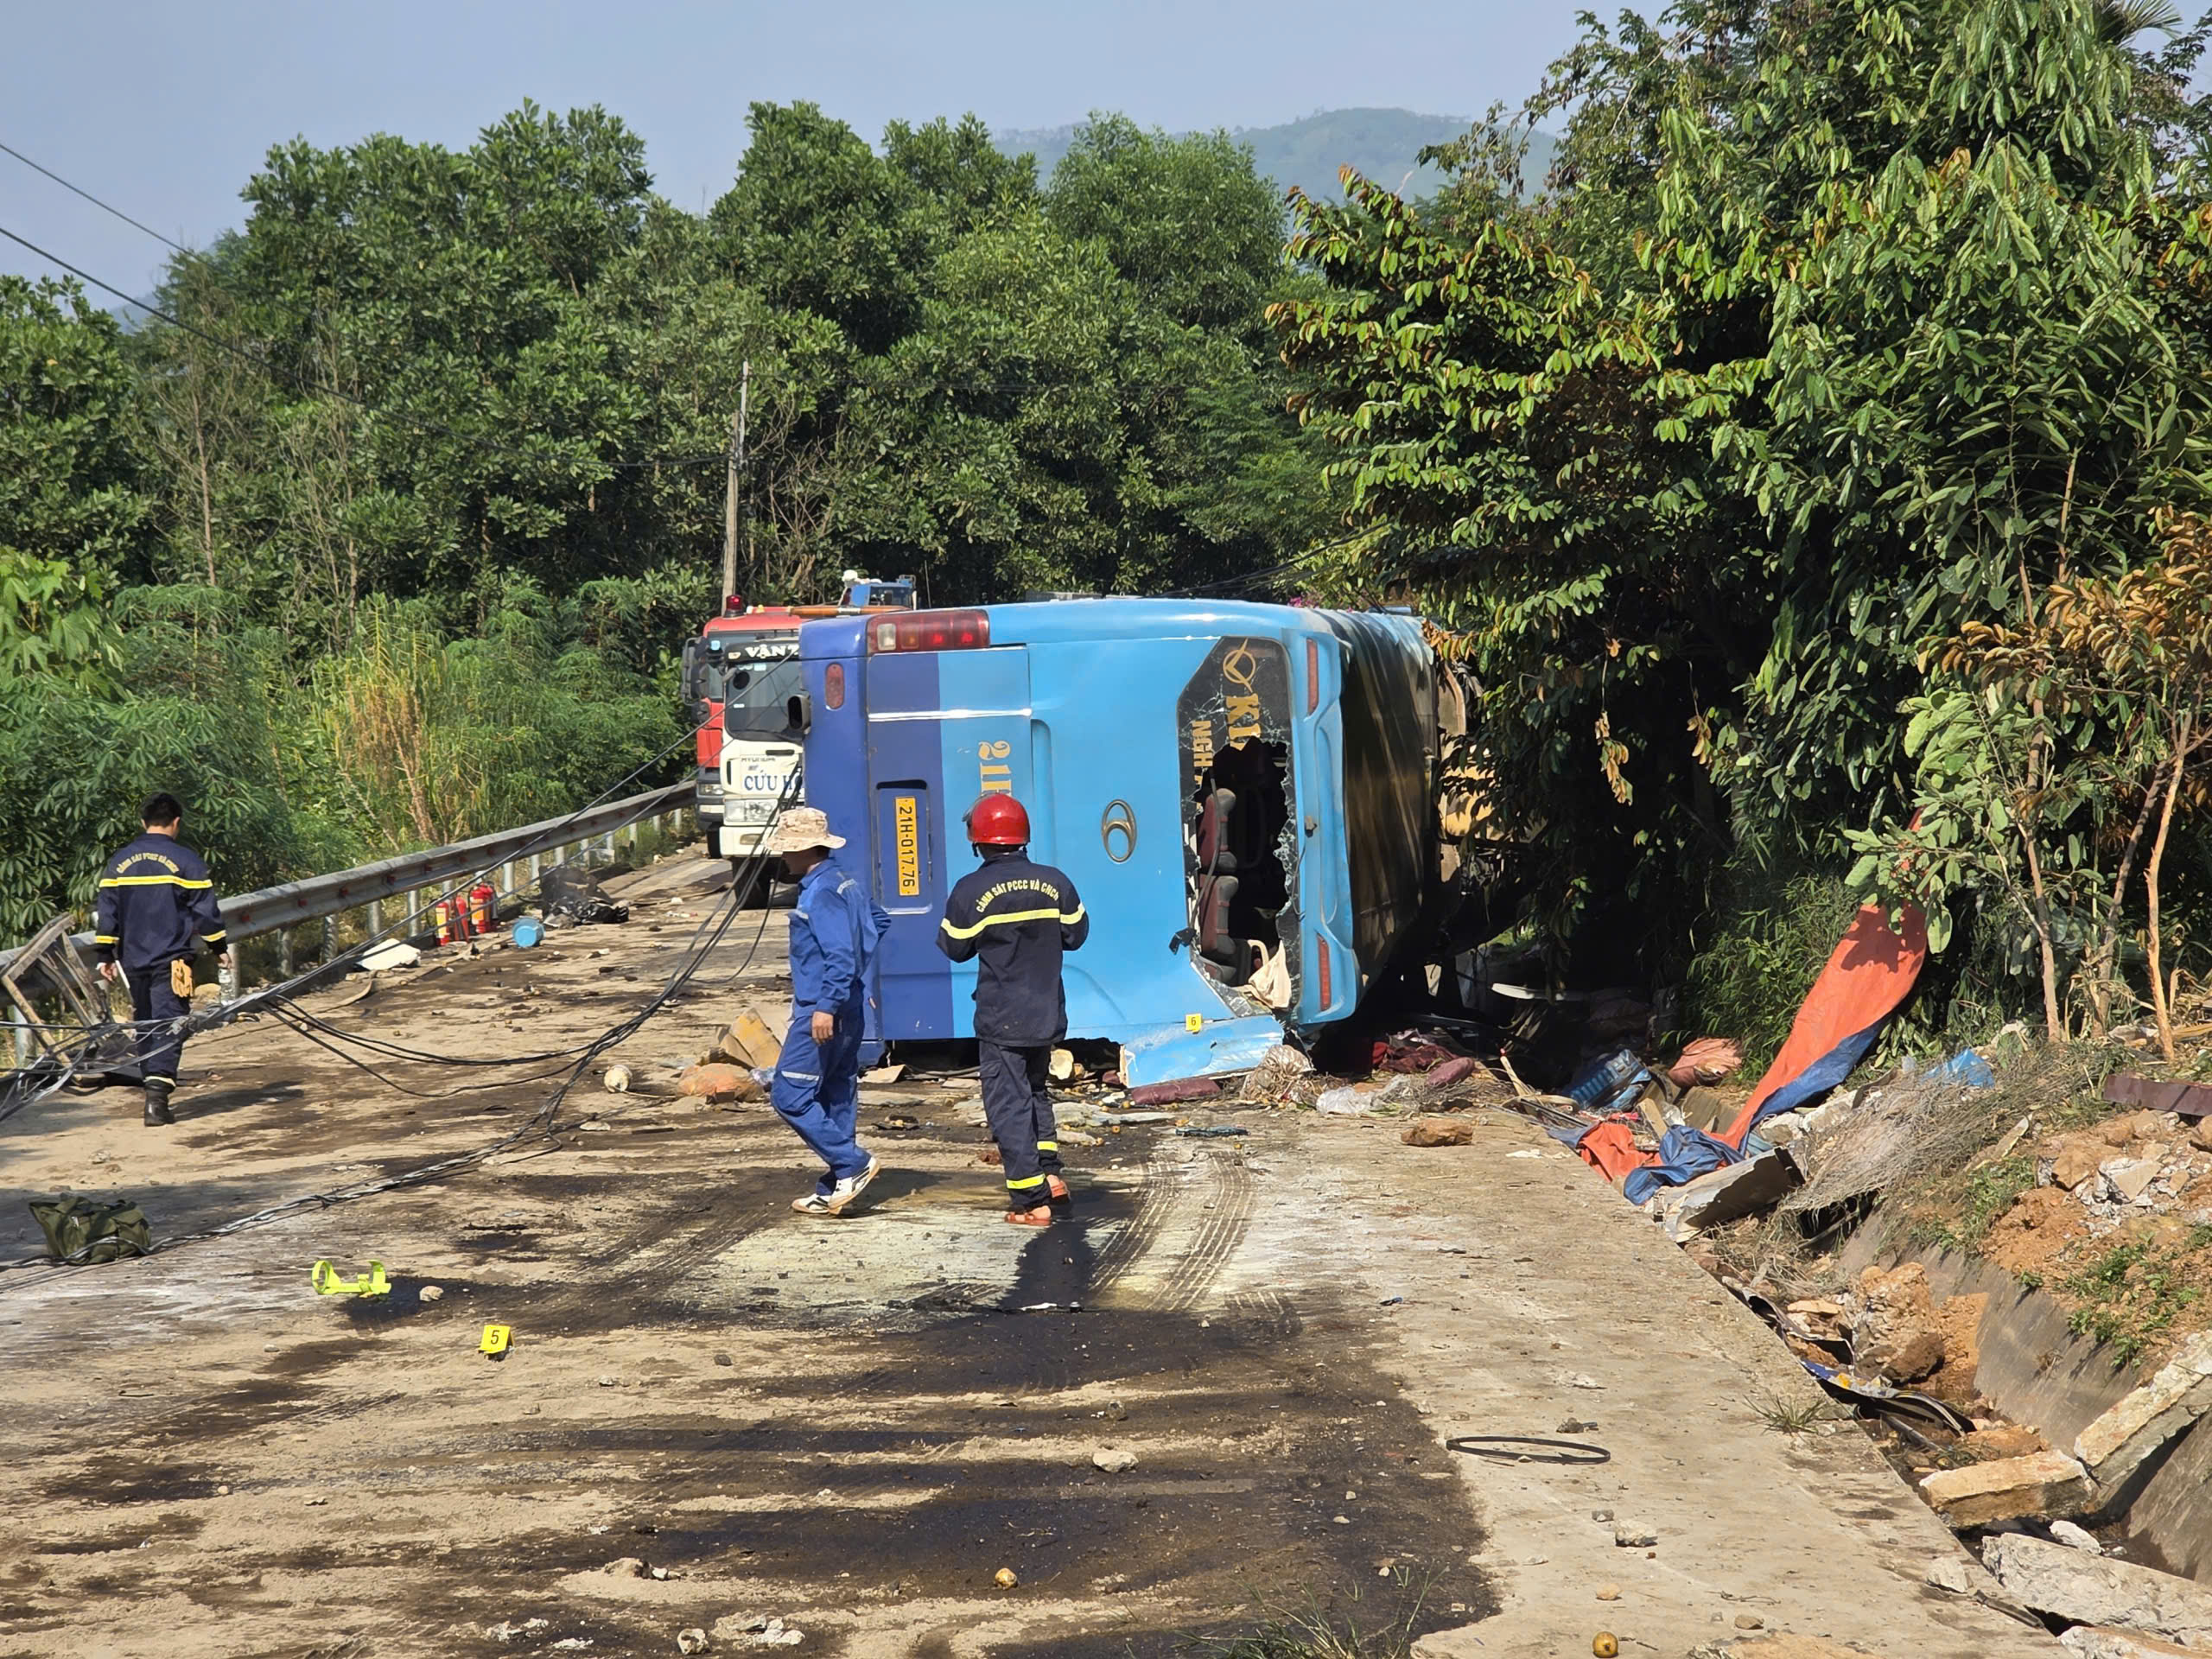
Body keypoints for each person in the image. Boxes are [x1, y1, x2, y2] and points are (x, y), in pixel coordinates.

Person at [937, 794, 1089, 1226]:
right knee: (1036, 1092)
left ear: (977, 840)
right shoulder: (1055, 882)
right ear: (1022, 837)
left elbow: (955, 948)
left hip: (1002, 1017)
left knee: (1008, 1104)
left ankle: (1030, 1200)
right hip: (1046, 1013)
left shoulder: (970, 890)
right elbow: (1076, 936)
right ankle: (1051, 1178)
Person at [765, 806, 882, 1217]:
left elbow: (838, 952)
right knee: (836, 1090)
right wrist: (857, 983)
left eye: (787, 849)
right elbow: (877, 923)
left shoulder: (821, 892)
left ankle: (853, 1163)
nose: (783, 857)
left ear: (805, 849)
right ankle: (836, 1185)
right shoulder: (844, 882)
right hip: (846, 1001)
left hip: (822, 1009)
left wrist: (827, 1004)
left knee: (790, 1095)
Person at [93, 793, 229, 1126]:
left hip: (133, 959)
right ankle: (156, 1100)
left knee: (145, 1023)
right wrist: (219, 947)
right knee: (169, 1022)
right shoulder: (186, 861)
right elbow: (205, 913)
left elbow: (107, 913)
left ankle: (151, 1087)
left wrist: (104, 955)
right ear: (177, 822)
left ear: (144, 822)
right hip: (174, 962)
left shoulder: (119, 862)